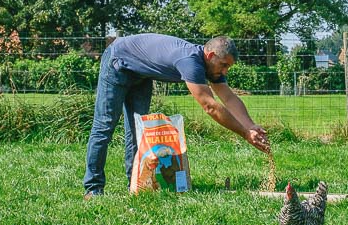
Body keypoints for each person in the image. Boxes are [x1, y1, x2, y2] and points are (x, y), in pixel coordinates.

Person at [83, 33, 269, 196]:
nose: (225, 71)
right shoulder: (190, 61)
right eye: (223, 65)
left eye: (228, 67)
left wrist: (250, 126)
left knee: (137, 132)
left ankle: (136, 185)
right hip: (118, 61)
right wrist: (244, 134)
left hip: (141, 74)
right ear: (211, 55)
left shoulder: (211, 67)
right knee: (104, 126)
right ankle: (93, 188)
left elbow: (228, 98)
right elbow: (210, 106)